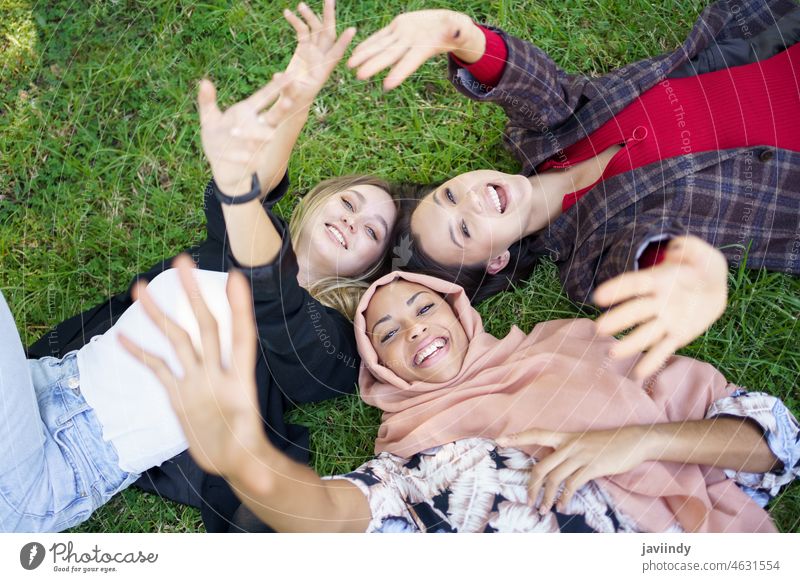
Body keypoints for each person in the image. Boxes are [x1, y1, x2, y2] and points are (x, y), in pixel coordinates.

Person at [3, 1, 399, 533]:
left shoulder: (328, 345)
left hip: (54, 469)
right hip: (39, 384)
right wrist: (297, 95)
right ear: (316, 204)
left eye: (372, 231)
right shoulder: (229, 250)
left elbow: (275, 287)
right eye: (348, 204)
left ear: (370, 268)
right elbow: (247, 187)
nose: (353, 222)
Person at [125, 264, 800, 532]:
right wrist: (241, 461)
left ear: (458, 307)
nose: (415, 329)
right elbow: (336, 517)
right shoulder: (410, 452)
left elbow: (774, 440)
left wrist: (637, 440)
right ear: (378, 368)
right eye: (387, 331)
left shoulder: (570, 345)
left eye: (423, 306)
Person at [347, 0, 800, 378]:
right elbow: (647, 249)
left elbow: (538, 88)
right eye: (464, 229)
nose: (469, 200)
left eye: (448, 195)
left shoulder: (547, 132)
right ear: (497, 260)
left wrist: (462, 37)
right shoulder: (587, 258)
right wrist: (687, 270)